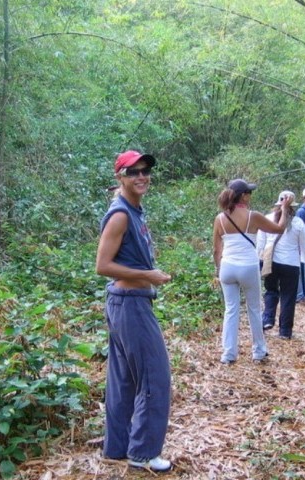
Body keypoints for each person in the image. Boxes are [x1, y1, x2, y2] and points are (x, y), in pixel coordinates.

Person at [95, 150, 172, 472]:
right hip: (130, 304)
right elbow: (102, 265)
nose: (141, 176)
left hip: (125, 302)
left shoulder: (134, 211)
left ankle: (117, 447)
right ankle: (142, 453)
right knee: (155, 377)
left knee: (124, 380)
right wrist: (147, 275)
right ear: (120, 177)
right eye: (133, 172)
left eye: (145, 171)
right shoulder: (121, 215)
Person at [212, 179, 293, 364]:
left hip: (227, 267)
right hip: (248, 266)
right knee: (254, 309)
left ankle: (228, 354)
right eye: (249, 192)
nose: (250, 195)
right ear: (243, 196)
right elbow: (279, 228)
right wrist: (284, 209)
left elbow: (216, 250)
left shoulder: (220, 218)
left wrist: (219, 269)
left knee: (231, 310)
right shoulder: (253, 216)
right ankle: (259, 351)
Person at [256, 191, 305, 339]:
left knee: (271, 290)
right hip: (291, 264)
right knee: (288, 296)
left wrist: (259, 260)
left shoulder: (267, 219)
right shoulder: (298, 223)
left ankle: (268, 319)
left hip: (271, 262)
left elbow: (260, 244)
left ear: (278, 204)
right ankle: (285, 331)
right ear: (293, 206)